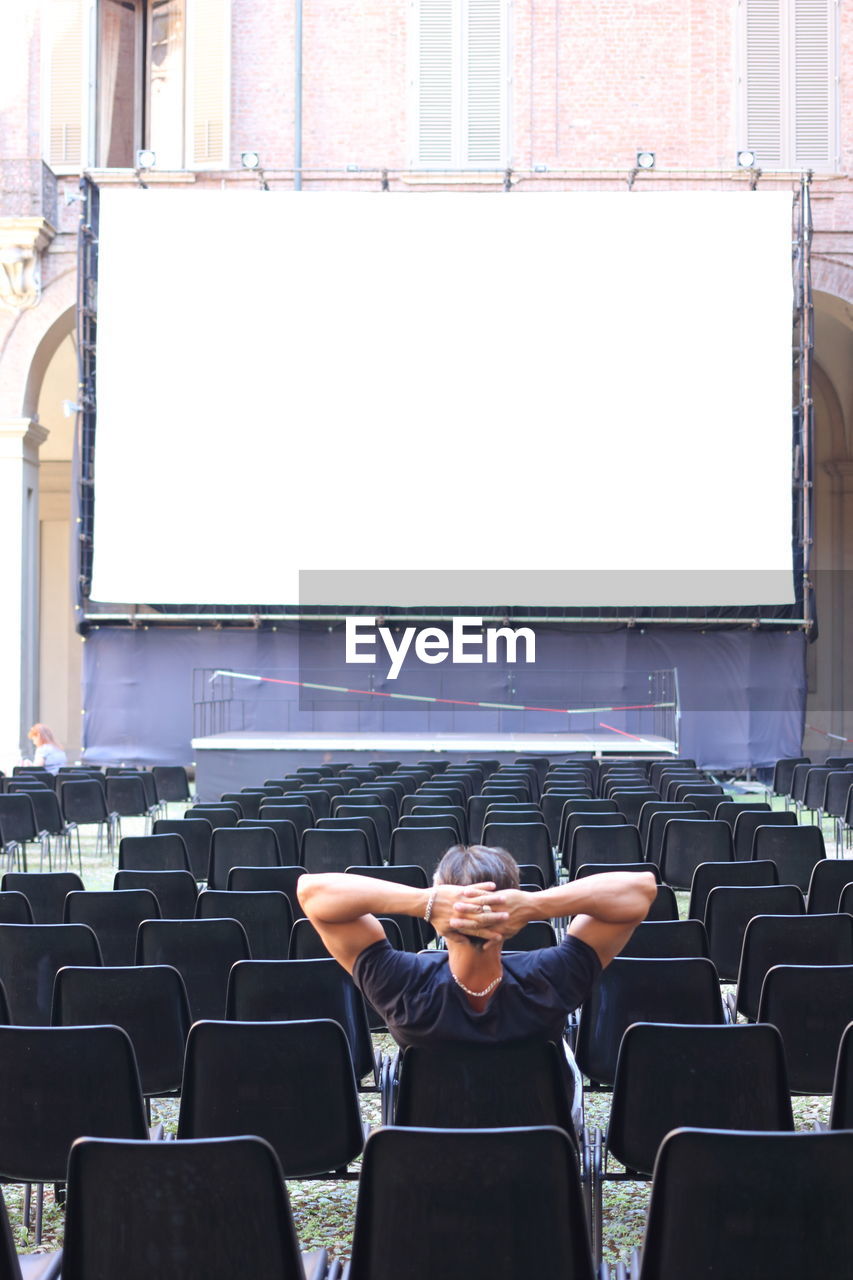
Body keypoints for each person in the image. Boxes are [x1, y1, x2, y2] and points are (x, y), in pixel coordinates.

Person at [297, 844, 656, 1051]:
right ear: (510, 910)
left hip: (425, 1159)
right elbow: (640, 890)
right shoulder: (554, 980)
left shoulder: (400, 986)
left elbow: (312, 892)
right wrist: (535, 906)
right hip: (540, 1159)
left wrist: (423, 900)